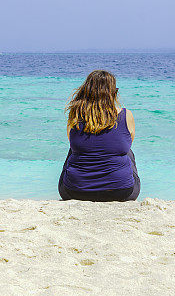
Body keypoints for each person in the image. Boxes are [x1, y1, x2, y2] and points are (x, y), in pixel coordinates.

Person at [58, 70, 141, 202]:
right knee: (128, 152)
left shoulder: (75, 114)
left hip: (75, 192)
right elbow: (128, 142)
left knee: (73, 151)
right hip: (122, 192)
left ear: (85, 91)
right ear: (113, 93)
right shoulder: (126, 115)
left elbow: (71, 140)